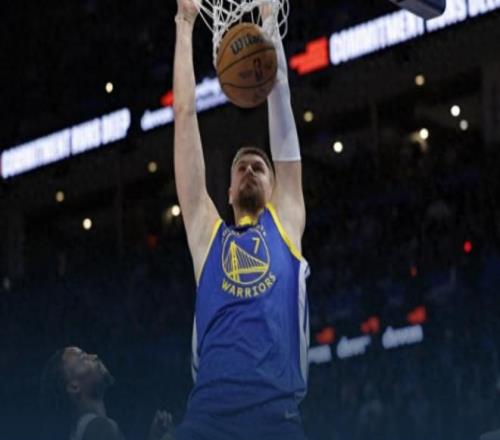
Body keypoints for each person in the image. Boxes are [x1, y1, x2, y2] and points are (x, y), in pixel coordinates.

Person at [173, 1, 309, 439]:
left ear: (276, 188)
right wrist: (184, 23)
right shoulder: (206, 235)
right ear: (228, 192)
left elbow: (282, 106)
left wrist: (269, 23)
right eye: (241, 167)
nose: (250, 169)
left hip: (275, 419)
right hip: (207, 421)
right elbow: (184, 118)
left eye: (259, 167)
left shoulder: (286, 223)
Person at [41, 346, 173, 440]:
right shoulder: (99, 428)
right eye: (83, 358)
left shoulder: (86, 430)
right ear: (74, 387)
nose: (95, 356)